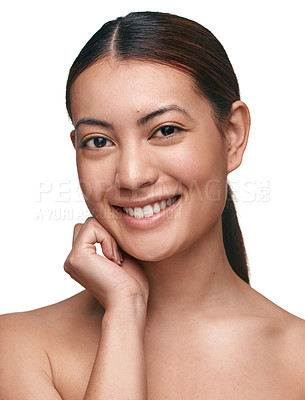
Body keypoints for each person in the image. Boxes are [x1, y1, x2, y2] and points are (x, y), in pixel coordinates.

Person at [1, 11, 304, 399]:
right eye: (98, 141)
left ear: (232, 135)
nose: (131, 176)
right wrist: (125, 309)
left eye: (165, 130)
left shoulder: (298, 360)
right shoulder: (19, 349)